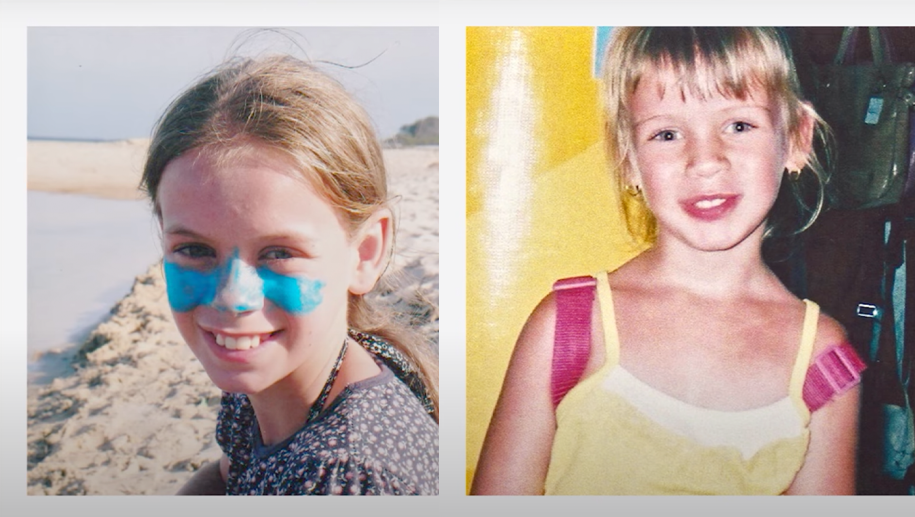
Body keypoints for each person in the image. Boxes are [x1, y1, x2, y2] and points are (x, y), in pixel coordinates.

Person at [472, 27, 863, 495]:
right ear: (629, 160)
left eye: (738, 125)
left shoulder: (823, 358)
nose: (705, 160)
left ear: (797, 137)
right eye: (667, 133)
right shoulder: (570, 325)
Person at [140, 55, 439, 495]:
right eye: (195, 250)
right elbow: (229, 474)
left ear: (365, 253)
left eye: (278, 253)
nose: (231, 298)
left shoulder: (348, 477)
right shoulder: (278, 379)